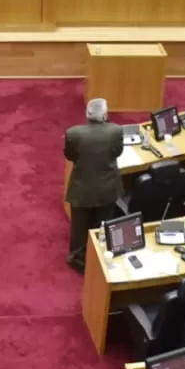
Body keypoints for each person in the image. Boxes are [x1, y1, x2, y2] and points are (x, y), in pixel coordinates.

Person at [63, 98, 123, 271]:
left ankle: (78, 260)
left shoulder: (73, 134)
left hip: (82, 189)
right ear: (105, 114)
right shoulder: (116, 131)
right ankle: (99, 259)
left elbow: (70, 155)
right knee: (102, 224)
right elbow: (117, 152)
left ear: (87, 114)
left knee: (79, 227)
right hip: (107, 187)